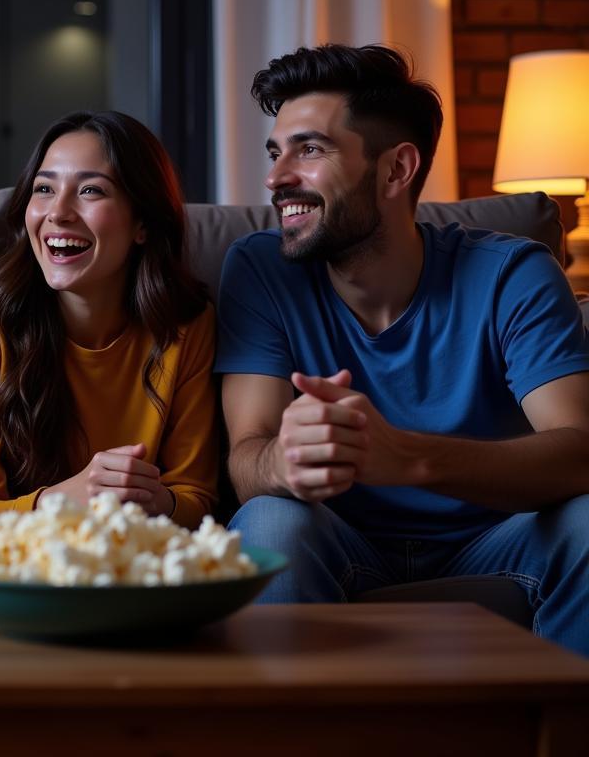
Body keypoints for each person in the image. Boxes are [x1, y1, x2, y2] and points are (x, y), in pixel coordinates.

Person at [216, 42, 589, 659]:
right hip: (342, 539)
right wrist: (285, 462)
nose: (277, 178)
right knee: (269, 524)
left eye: (310, 149)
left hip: (497, 537)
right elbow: (244, 456)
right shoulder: (260, 269)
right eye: (275, 152)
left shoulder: (511, 272)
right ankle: (285, 754)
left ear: (396, 169)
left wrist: (407, 458)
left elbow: (580, 451)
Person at [0, 110, 218, 537]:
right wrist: (65, 500)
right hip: (16, 578)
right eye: (44, 189)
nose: (59, 212)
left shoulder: (186, 325)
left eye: (90, 190)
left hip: (138, 566)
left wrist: (157, 500)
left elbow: (197, 498)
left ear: (143, 223)